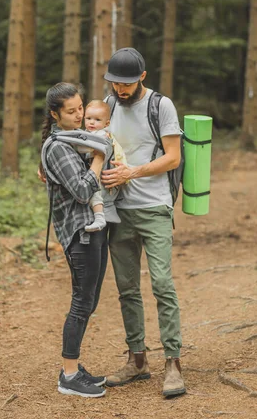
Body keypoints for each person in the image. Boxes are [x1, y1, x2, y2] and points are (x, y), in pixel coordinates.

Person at [100, 47, 186, 398]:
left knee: (163, 284)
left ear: (142, 78)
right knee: (127, 288)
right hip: (119, 211)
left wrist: (133, 172)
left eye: (127, 83)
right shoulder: (107, 105)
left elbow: (173, 156)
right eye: (115, 83)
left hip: (154, 207)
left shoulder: (160, 106)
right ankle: (137, 360)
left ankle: (173, 364)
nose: (121, 90)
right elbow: (91, 142)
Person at [40, 83, 108, 398]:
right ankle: (68, 374)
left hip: (93, 229)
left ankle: (73, 368)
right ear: (55, 114)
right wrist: (99, 157)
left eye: (80, 107)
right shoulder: (58, 146)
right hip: (78, 232)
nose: (80, 115)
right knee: (82, 301)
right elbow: (82, 191)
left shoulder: (75, 140)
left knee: (90, 300)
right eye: (71, 111)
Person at [82, 99, 125, 232]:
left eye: (97, 120)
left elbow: (89, 152)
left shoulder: (101, 136)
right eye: (88, 118)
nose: (92, 122)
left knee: (95, 192)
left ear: (106, 123)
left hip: (101, 177)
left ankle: (99, 218)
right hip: (94, 173)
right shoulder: (88, 133)